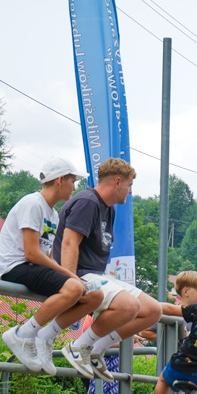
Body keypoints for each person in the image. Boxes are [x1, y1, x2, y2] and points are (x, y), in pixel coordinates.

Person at [53, 158, 162, 381]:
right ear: (117, 182)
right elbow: (69, 243)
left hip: (97, 274)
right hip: (82, 274)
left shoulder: (108, 208)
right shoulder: (88, 202)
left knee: (152, 311)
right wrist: (71, 282)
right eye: (129, 186)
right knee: (129, 305)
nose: (130, 192)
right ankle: (79, 346)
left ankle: (94, 350)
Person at [0, 157, 103, 375]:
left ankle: (45, 337)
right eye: (73, 181)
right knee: (74, 287)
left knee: (95, 295)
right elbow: (32, 253)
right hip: (15, 266)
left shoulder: (53, 213)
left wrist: (75, 279)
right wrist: (70, 276)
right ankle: (23, 334)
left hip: (33, 268)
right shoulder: (32, 204)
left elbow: (48, 256)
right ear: (60, 180)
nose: (75, 187)